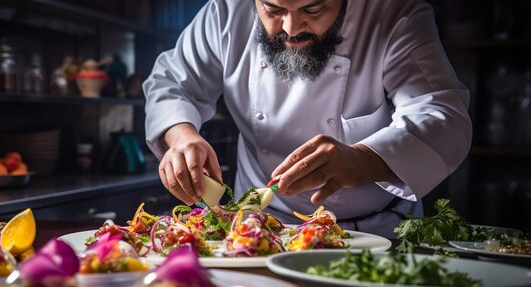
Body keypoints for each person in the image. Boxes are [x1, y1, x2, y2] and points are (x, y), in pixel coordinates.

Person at [143, 0, 471, 238]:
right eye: (272, 10)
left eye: (313, 10)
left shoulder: (393, 14)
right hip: (256, 231)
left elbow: (443, 116)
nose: (290, 28)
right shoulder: (225, 13)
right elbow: (172, 82)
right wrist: (181, 136)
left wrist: (362, 160)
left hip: (376, 233)